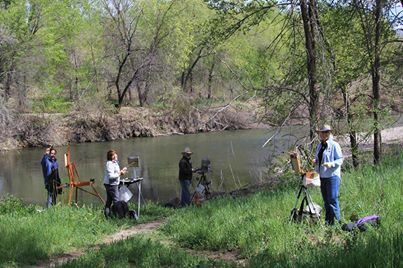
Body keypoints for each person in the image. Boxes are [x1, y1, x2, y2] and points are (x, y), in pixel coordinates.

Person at [314, 124, 343, 225]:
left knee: (332, 199)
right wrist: (315, 161)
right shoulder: (319, 146)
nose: (321, 135)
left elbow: (340, 159)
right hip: (322, 176)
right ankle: (329, 222)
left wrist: (331, 164)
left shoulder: (335, 145)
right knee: (326, 201)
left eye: (322, 133)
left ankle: (338, 222)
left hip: (332, 176)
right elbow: (318, 158)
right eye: (320, 133)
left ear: (327, 133)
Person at [103, 150, 127, 217]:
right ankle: (121, 217)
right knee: (117, 201)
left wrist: (121, 171)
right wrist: (120, 173)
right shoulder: (109, 164)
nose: (115, 156)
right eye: (113, 155)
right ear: (110, 157)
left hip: (112, 184)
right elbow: (111, 176)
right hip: (111, 185)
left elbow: (115, 173)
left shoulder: (115, 163)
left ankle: (107, 216)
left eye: (115, 154)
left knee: (109, 201)